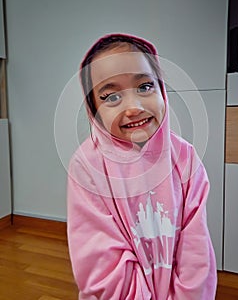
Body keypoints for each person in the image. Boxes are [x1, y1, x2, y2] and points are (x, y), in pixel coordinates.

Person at [67, 33, 217, 299]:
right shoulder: (87, 166)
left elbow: (196, 250)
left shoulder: (186, 157)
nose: (133, 107)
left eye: (145, 87)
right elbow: (102, 267)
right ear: (94, 110)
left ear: (162, 91)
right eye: (111, 97)